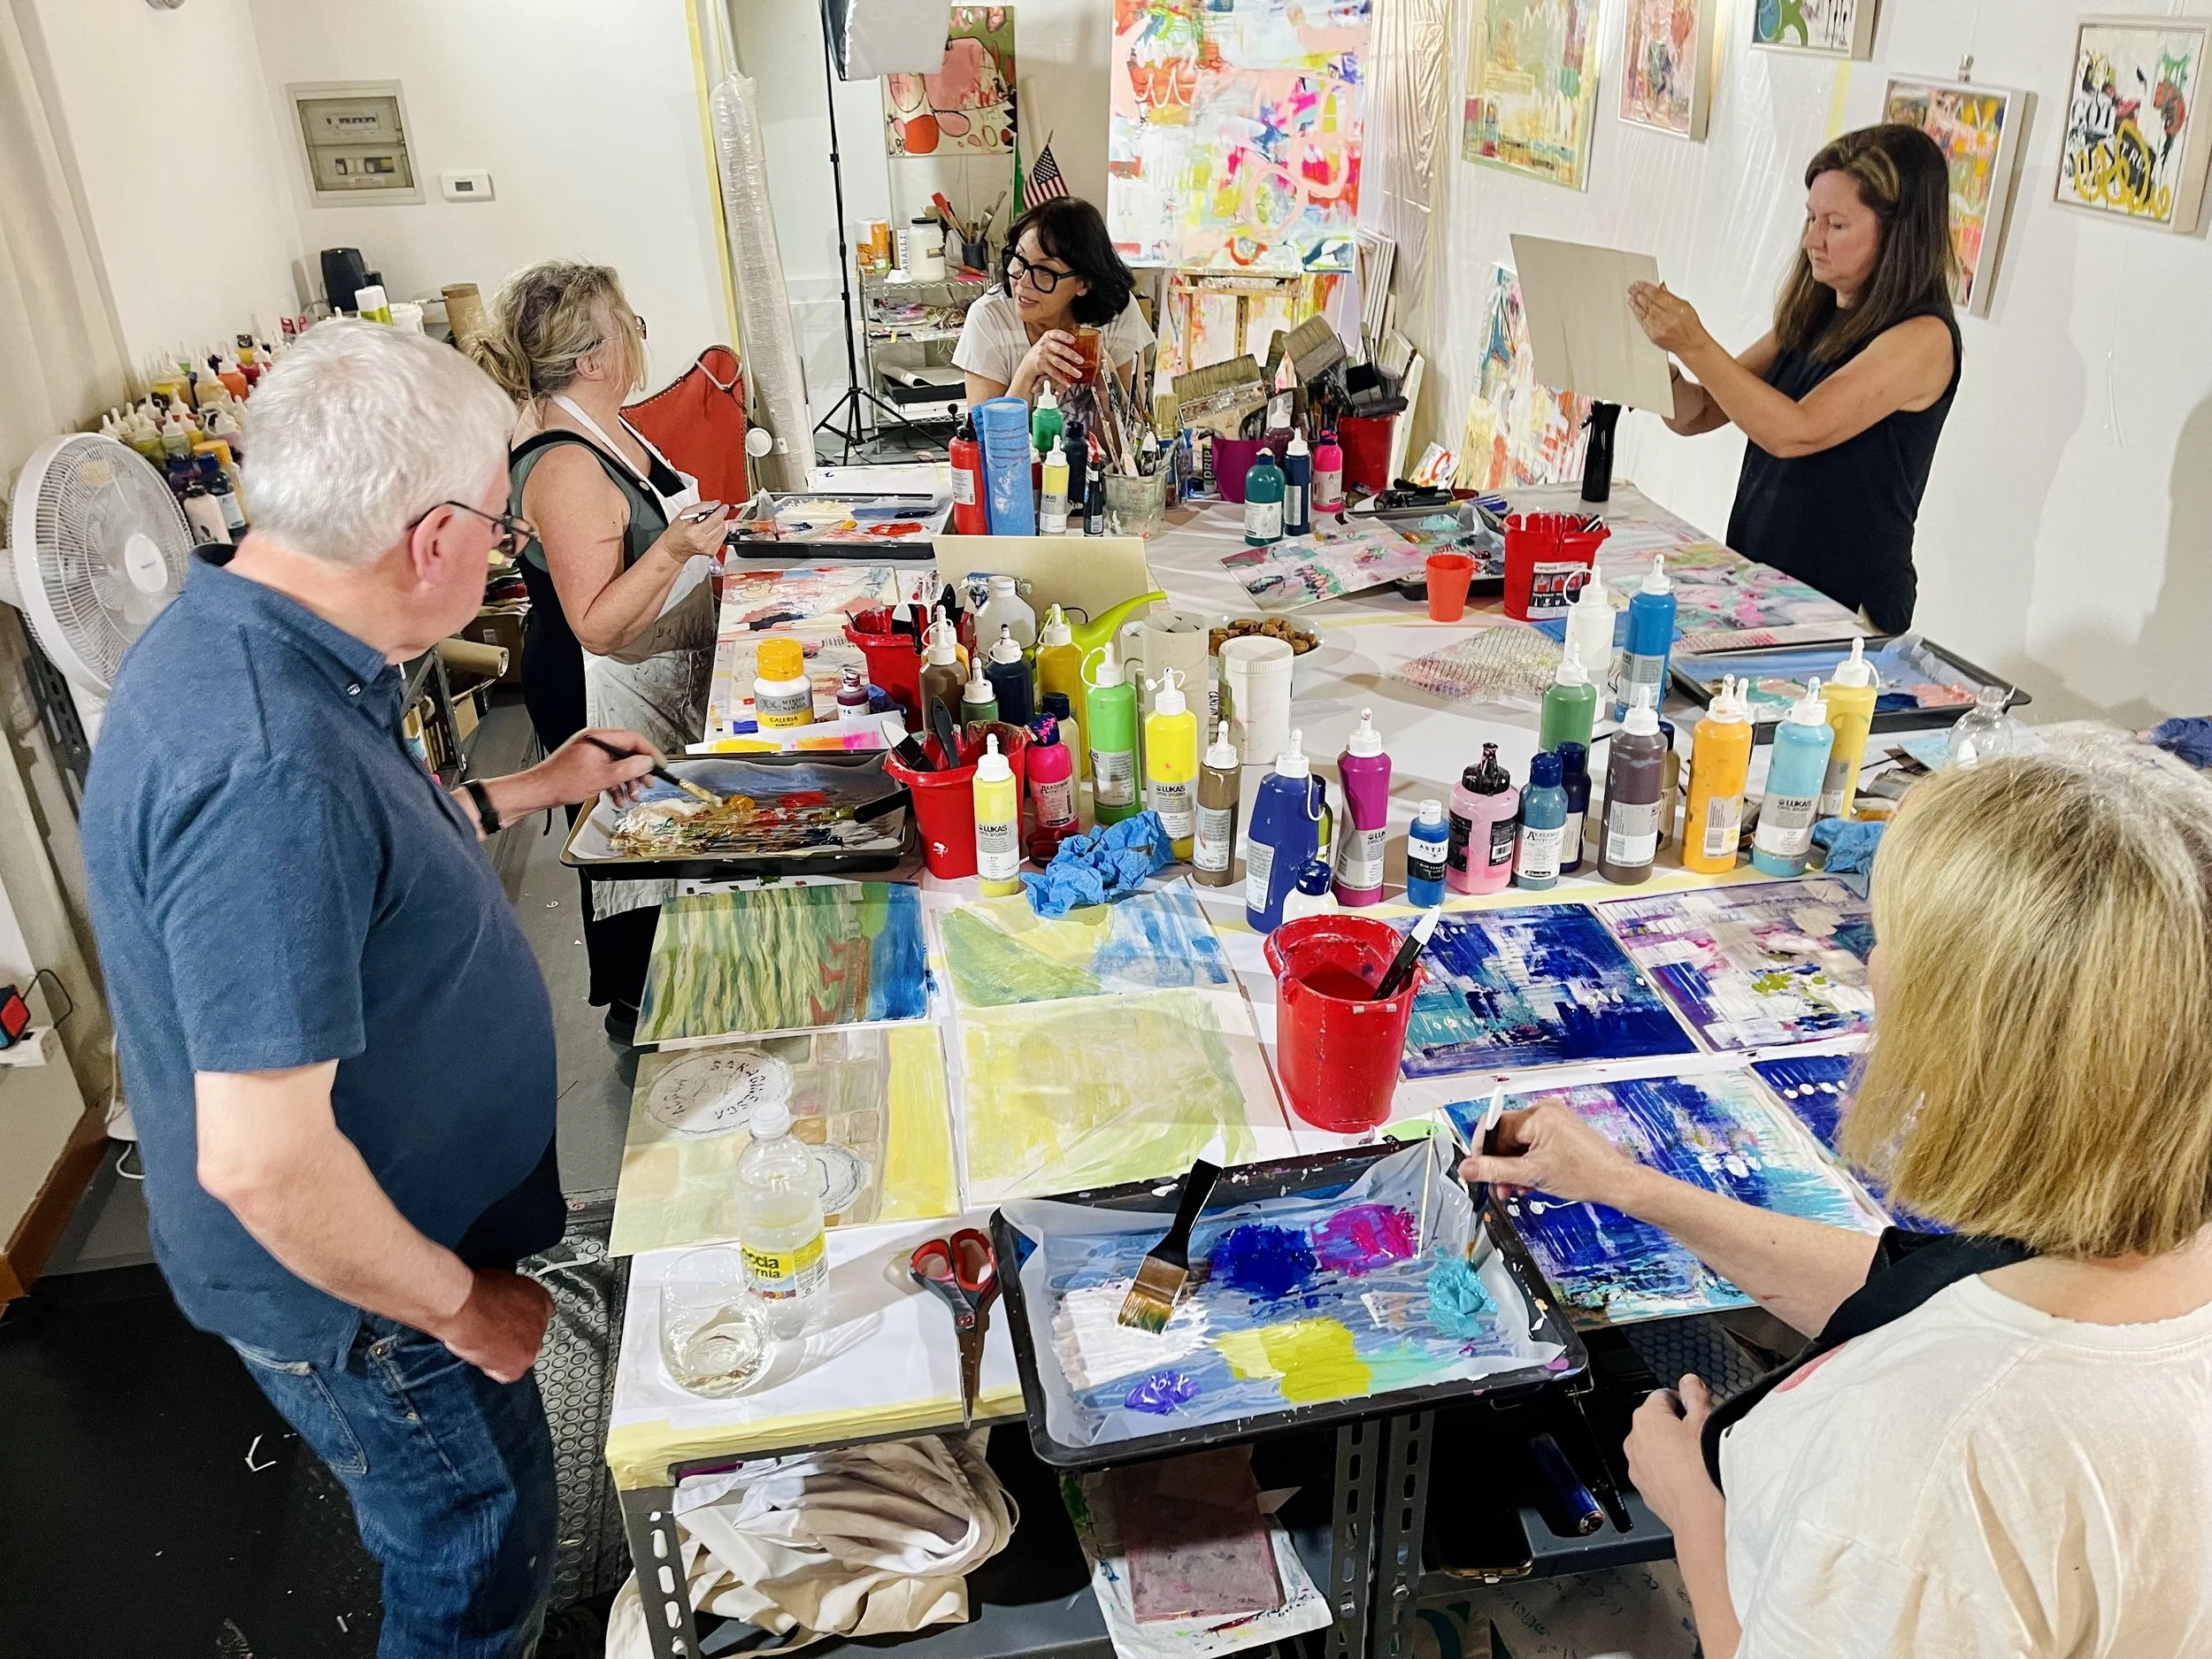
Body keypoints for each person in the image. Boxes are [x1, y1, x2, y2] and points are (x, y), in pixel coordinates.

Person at [80, 321, 663, 1658]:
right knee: (477, 1556)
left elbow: (367, 851)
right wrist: (465, 1305)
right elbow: (266, 1163)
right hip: (373, 1295)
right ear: (432, 535)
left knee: (480, 1531)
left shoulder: (256, 628)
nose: (505, 552)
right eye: (503, 529)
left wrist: (535, 785)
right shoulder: (265, 758)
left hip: (394, 1249)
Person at [1462, 738, 2212, 1657]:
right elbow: (1930, 1292)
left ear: (1964, 1030)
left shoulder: (1925, 1466)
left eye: (1887, 935)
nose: (1869, 963)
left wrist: (1697, 1514)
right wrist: (1625, 1187)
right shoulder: (2142, 1243)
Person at [466, 260, 728, 1040]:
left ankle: (681, 979)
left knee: (665, 831)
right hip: (602, 677)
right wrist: (676, 549)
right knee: (635, 845)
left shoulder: (600, 417)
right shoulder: (566, 460)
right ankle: (642, 1002)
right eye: (628, 326)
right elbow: (596, 623)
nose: (638, 339)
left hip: (651, 661)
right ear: (590, 357)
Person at [1629, 124, 1960, 634]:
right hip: (1763, 586)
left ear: (1897, 232)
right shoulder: (1816, 311)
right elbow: (1700, 412)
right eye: (1810, 218)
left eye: (1835, 224)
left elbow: (1794, 431)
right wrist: (1653, 365)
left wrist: (1693, 341)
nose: (1812, 240)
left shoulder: (1923, 337)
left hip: (1842, 609)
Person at [955, 196, 1154, 409]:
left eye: (1044, 271)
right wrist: (1027, 370)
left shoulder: (1117, 310)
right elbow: (984, 437)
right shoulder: (989, 316)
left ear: (1084, 283)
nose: (1022, 281)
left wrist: (1104, 372)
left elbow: (1133, 435)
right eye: (1019, 259)